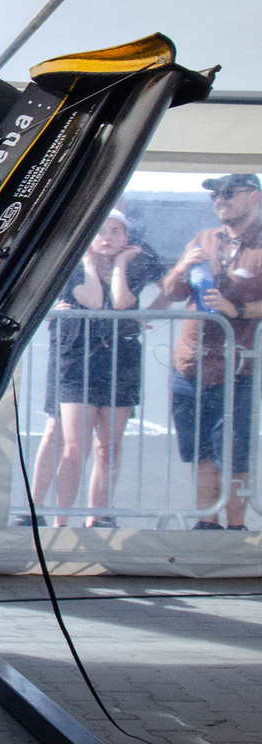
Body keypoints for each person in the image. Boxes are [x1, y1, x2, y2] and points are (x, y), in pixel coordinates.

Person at [49, 211, 164, 527]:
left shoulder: (134, 266)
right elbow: (95, 301)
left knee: (108, 447)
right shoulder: (73, 266)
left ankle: (97, 516)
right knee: (75, 447)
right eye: (101, 231)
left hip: (121, 362)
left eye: (116, 231)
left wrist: (121, 264)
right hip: (78, 363)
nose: (108, 238)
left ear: (125, 237)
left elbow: (121, 300)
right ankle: (61, 520)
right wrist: (89, 262)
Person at [162, 174, 262, 531]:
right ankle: (207, 524)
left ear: (254, 197)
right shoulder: (205, 238)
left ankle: (235, 529)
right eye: (215, 195)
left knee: (233, 457)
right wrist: (180, 269)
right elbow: (171, 293)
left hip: (236, 370)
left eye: (229, 193)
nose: (220, 200)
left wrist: (238, 310)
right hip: (189, 366)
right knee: (201, 453)